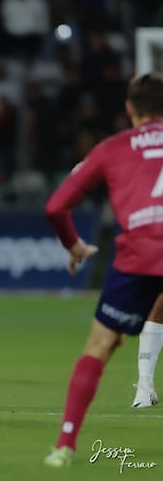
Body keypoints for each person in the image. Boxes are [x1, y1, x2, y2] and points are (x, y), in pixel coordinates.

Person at [43, 72, 163, 468]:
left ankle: (65, 445)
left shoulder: (114, 148)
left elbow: (55, 207)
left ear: (129, 109)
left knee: (99, 346)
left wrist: (74, 246)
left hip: (138, 257)